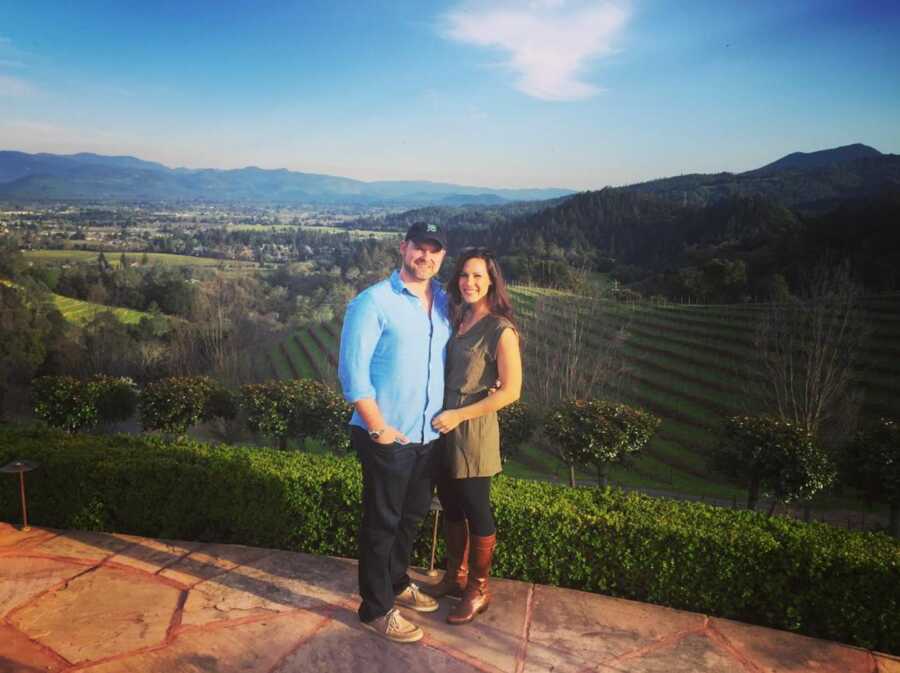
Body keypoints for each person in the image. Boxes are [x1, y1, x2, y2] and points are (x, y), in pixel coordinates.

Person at [338, 222, 452, 643]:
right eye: (419, 248)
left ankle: (398, 580)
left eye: (434, 251)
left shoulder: (442, 302)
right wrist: (379, 428)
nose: (426, 256)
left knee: (411, 516)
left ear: (443, 257)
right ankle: (376, 607)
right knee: (382, 521)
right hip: (387, 435)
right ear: (403, 248)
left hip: (428, 435)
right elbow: (353, 374)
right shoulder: (373, 302)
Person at [426, 247, 522, 624]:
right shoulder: (458, 317)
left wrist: (459, 414)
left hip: (472, 427)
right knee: (449, 503)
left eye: (478, 276)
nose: (470, 282)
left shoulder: (500, 329)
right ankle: (455, 576)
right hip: (444, 424)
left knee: (476, 508)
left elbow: (511, 391)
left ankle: (479, 589)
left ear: (492, 281)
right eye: (464, 275)